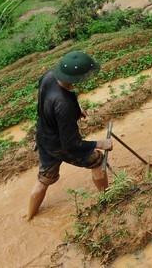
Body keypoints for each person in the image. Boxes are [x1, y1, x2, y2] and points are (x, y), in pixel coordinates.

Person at [27, 51, 112, 221]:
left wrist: (76, 109)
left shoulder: (49, 76)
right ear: (76, 78)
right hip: (60, 145)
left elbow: (50, 103)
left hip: (44, 136)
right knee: (97, 160)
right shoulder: (63, 104)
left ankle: (29, 216)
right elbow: (71, 144)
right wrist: (99, 143)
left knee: (44, 179)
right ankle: (108, 200)